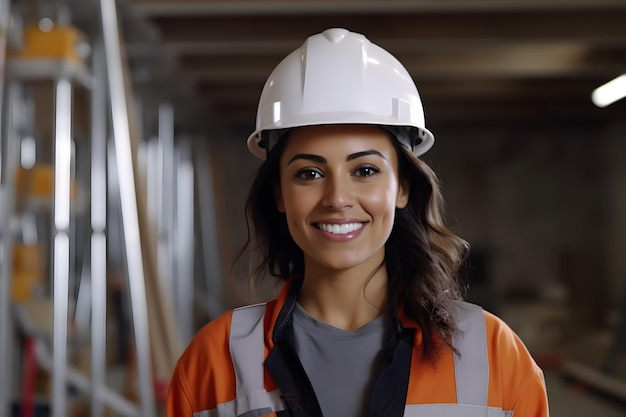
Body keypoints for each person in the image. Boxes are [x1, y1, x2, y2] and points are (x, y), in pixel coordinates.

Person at [165, 28, 549, 417]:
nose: (337, 198)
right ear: (279, 194)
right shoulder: (215, 359)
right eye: (309, 174)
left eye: (364, 170)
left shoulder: (494, 354)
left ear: (402, 188)